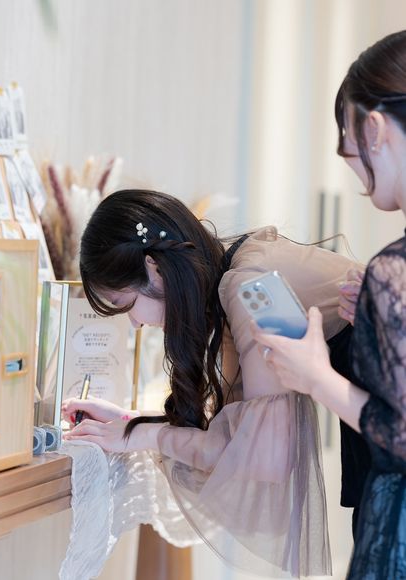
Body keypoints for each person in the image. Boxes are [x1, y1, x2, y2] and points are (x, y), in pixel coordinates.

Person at [62, 188, 359, 577]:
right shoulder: (238, 278)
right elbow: (240, 442)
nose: (134, 324)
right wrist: (133, 424)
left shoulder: (251, 287)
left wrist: (144, 434)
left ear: (154, 269)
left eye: (124, 304)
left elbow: (264, 459)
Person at [251, 31, 406, 579]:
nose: (347, 157)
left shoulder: (395, 270)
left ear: (374, 128)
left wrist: (315, 377)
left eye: (347, 135)